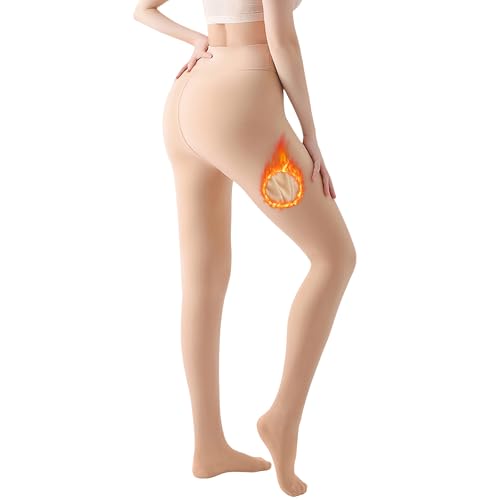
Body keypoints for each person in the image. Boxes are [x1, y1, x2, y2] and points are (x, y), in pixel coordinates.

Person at [133, 0, 357, 496]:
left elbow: (143, 10)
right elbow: (282, 40)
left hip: (188, 100)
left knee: (203, 280)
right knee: (334, 257)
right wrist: (311, 135)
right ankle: (282, 418)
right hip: (242, 103)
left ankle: (208, 446)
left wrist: (196, 39)